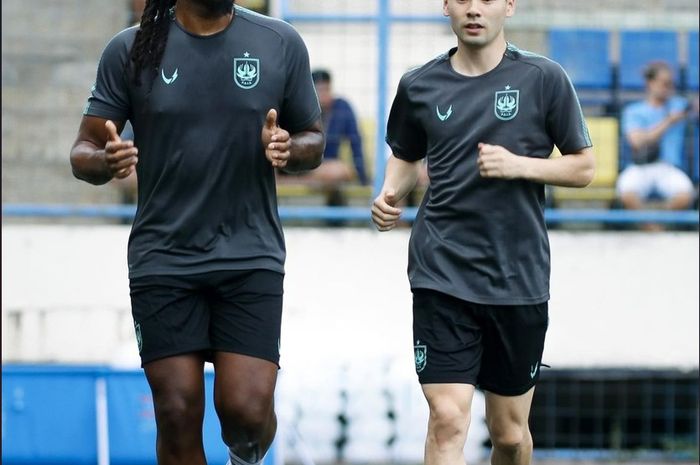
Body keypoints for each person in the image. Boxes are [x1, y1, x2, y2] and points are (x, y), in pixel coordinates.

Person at [69, 1, 324, 464]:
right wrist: (105, 161)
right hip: (163, 258)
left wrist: (290, 147)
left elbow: (313, 138)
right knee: (176, 409)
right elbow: (82, 149)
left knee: (245, 413)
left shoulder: (279, 42)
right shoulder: (130, 49)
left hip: (250, 255)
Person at [371, 1, 595, 464]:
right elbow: (407, 155)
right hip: (441, 271)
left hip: (517, 277)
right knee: (448, 418)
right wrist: (390, 193)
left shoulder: (544, 78)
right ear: (446, 7)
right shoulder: (419, 83)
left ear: (509, 6)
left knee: (510, 435)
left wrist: (517, 165)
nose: (475, 9)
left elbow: (584, 167)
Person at [616, 61, 695, 221]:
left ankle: (657, 222)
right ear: (650, 83)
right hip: (641, 167)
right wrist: (668, 122)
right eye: (664, 83)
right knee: (626, 192)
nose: (669, 87)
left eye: (671, 83)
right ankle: (650, 225)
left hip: (668, 167)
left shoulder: (679, 105)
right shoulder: (634, 110)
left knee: (686, 193)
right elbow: (636, 142)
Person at [277, 69, 368, 207]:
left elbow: (355, 142)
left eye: (327, 89)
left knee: (340, 172)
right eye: (319, 90)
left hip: (324, 169)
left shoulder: (341, 107)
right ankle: (297, 181)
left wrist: (363, 179)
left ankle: (297, 182)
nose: (323, 95)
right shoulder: (297, 106)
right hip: (296, 167)